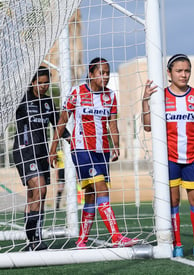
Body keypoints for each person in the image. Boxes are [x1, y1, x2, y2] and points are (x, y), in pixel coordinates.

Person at [49, 57, 139, 248]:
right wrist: (52, 148)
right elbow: (62, 121)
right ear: (91, 74)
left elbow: (112, 124)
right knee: (101, 189)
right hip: (81, 149)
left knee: (91, 194)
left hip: (101, 151)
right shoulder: (77, 93)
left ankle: (82, 239)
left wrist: (116, 146)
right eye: (101, 73)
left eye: (107, 73)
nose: (105, 77)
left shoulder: (110, 96)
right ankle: (116, 237)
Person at [142, 54, 194, 257]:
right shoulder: (161, 96)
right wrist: (145, 100)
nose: (184, 75)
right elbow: (147, 127)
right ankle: (177, 245)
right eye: (179, 71)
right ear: (169, 73)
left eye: (187, 71)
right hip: (169, 158)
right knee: (173, 202)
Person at [13, 66, 70, 251]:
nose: (44, 86)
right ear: (32, 82)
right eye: (40, 83)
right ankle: (35, 239)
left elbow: (58, 125)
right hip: (24, 152)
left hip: (42, 154)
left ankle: (31, 240)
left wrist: (73, 141)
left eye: (47, 82)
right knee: (41, 189)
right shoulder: (21, 100)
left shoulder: (47, 102)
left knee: (35, 196)